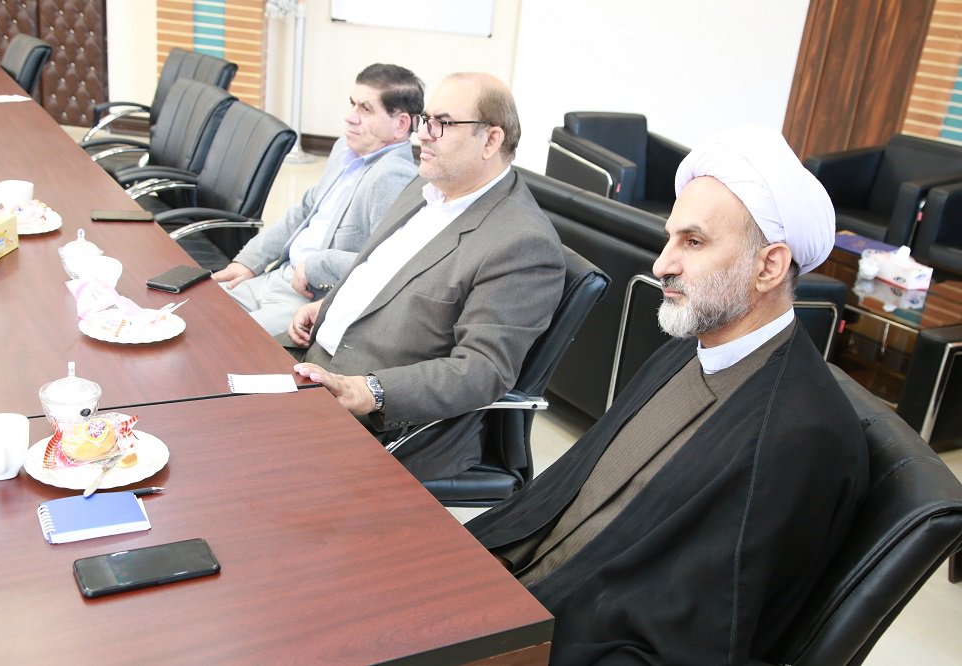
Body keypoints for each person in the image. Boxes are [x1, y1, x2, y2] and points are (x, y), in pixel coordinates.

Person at [465, 125, 870, 665]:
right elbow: (572, 492)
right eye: (670, 238)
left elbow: (693, 635)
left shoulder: (800, 437)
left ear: (769, 266)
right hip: (507, 588)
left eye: (693, 242)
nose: (662, 265)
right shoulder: (689, 348)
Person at [289, 73, 566, 482]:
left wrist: (370, 391)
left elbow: (482, 369)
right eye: (426, 120)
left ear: (490, 140)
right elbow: (386, 275)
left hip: (387, 426)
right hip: (313, 367)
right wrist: (332, 308)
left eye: (443, 124)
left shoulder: (522, 243)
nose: (422, 135)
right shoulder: (426, 185)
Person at [211, 63, 423, 336]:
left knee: (223, 339)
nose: (350, 117)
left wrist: (317, 265)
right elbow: (304, 211)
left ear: (401, 124)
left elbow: (386, 264)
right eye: (353, 104)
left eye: (366, 109)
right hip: (276, 276)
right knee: (194, 309)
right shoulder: (345, 148)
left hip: (307, 299)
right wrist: (249, 261)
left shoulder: (392, 177)